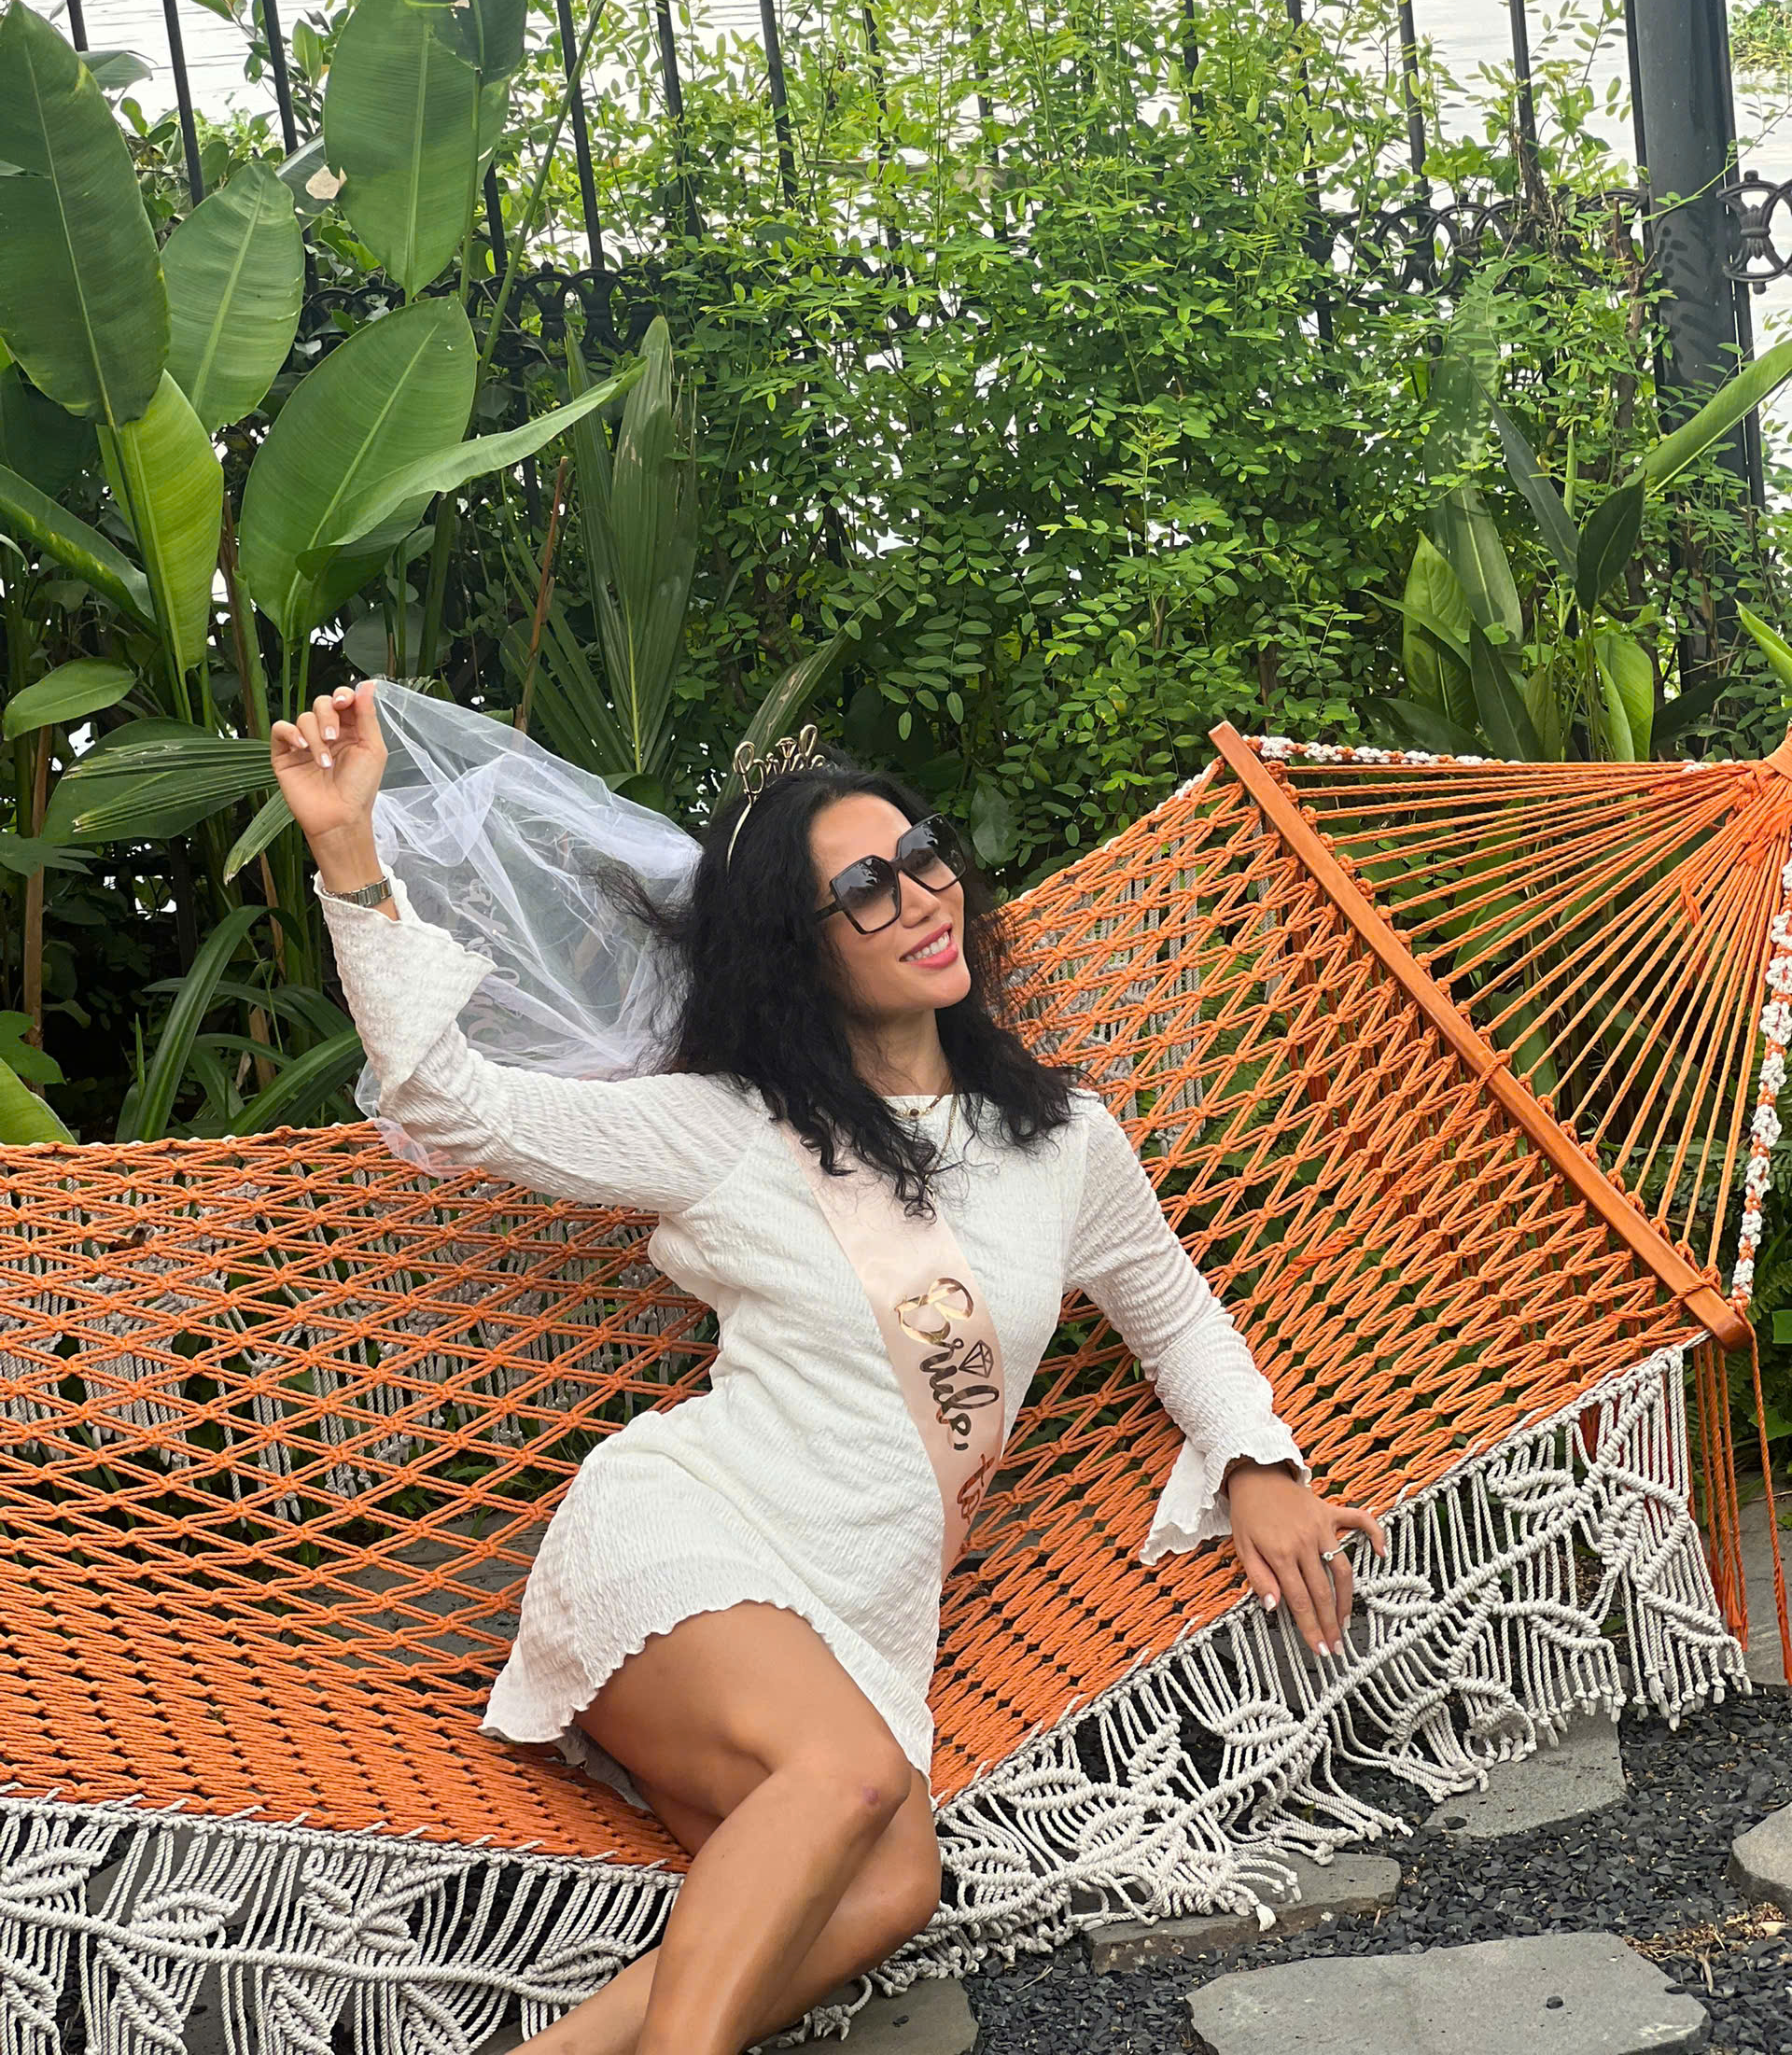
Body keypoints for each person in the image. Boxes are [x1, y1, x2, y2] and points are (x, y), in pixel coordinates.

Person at [270, 680, 1384, 2055]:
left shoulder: (1062, 1142)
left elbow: (1173, 1314)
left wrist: (1260, 1463)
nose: (920, 896)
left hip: (861, 1626)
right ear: (795, 951)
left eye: (922, 856)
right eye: (866, 888)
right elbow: (453, 1106)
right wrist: (348, 849)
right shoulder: (727, 1131)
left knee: (892, 1883)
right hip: (690, 1547)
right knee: (851, 1781)